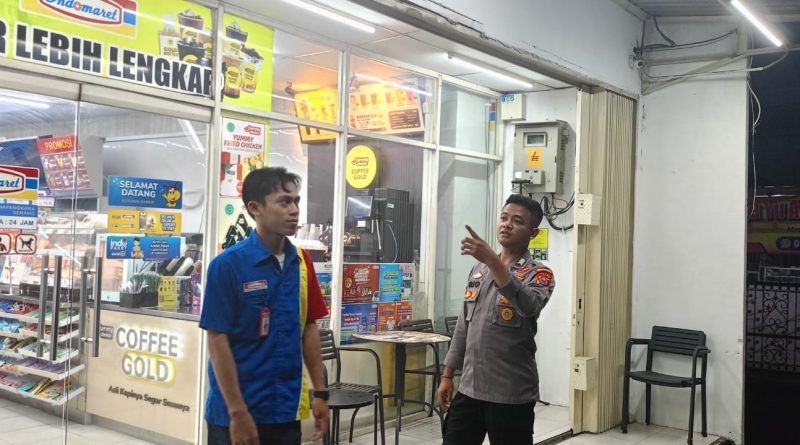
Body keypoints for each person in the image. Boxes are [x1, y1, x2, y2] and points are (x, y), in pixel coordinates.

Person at [200, 167, 330, 445]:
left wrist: (320, 393)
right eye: (284, 202)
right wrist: (237, 412)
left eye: (296, 201)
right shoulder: (228, 265)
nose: (294, 210)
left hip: (284, 410)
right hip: (235, 413)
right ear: (255, 208)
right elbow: (217, 340)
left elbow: (309, 328)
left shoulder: (302, 263)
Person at [438, 194, 555, 445]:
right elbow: (464, 326)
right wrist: (448, 375)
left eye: (517, 221)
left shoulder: (538, 274)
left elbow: (529, 305)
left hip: (511, 393)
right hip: (470, 388)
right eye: (504, 218)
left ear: (533, 233)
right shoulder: (478, 270)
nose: (507, 224)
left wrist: (493, 260)